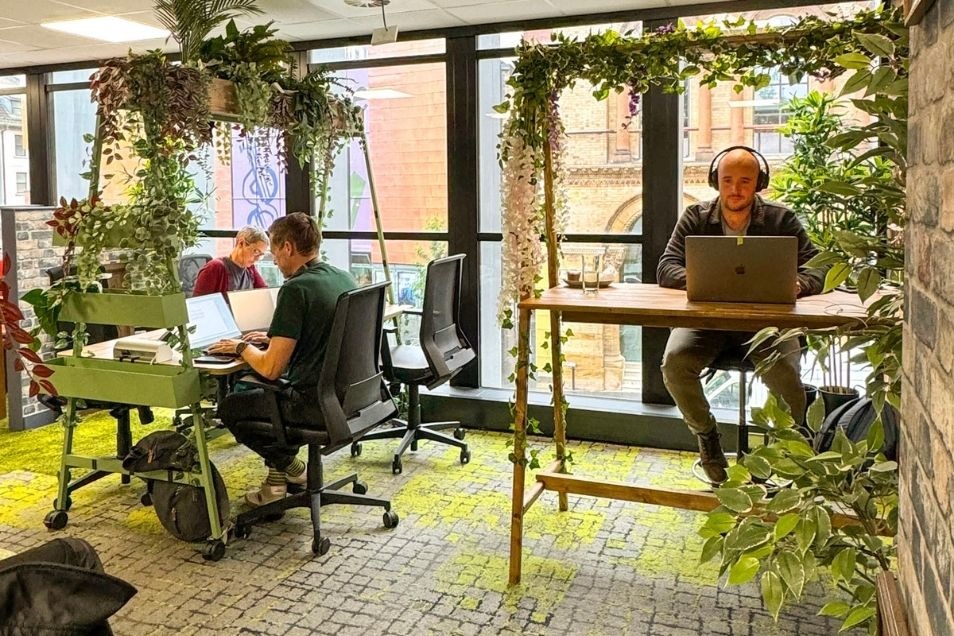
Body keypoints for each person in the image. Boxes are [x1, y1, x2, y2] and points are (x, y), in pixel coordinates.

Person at [656, 146, 824, 484]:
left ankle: (788, 447)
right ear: (715, 181)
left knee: (785, 371)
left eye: (745, 181)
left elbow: (821, 267)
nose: (735, 189)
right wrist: (704, 279)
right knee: (674, 363)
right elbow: (666, 267)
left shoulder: (781, 219)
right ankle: (707, 436)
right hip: (707, 322)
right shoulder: (695, 217)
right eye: (727, 180)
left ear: (759, 182)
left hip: (768, 326)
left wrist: (798, 284)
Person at [209, 213, 356, 506]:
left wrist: (240, 348)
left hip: (310, 405)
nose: (274, 261)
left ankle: (294, 469)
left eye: (274, 252)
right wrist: (272, 339)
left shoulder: (295, 289)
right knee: (259, 395)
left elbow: (271, 368)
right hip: (348, 398)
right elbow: (322, 331)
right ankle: (276, 484)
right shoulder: (342, 277)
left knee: (231, 407)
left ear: (288, 248)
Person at [192, 225, 269, 297]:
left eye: (261, 255)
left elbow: (265, 295)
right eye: (256, 252)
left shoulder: (250, 269)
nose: (257, 259)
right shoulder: (215, 267)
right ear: (241, 243)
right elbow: (198, 305)